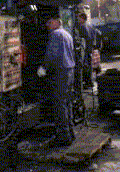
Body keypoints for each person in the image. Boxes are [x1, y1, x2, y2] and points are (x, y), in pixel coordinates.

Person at [38, 13, 75, 147]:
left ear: (57, 22)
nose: (47, 25)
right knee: (67, 103)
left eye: (49, 22)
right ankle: (71, 133)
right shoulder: (67, 34)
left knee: (59, 104)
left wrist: (43, 67)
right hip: (70, 71)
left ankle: (63, 137)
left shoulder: (55, 35)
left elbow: (51, 54)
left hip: (61, 73)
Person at [76, 10, 101, 88]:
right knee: (89, 65)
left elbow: (84, 39)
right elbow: (97, 34)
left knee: (85, 66)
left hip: (85, 49)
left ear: (82, 19)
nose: (78, 20)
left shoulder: (82, 27)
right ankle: (90, 82)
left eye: (79, 18)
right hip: (90, 48)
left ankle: (88, 82)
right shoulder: (90, 26)